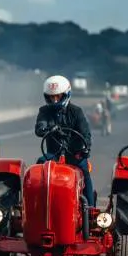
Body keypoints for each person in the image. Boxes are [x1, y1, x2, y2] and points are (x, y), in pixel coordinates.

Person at [35, 75, 94, 208]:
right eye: (51, 97)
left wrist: (85, 149)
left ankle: (91, 209)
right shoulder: (44, 111)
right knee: (39, 166)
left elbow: (85, 134)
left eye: (58, 96)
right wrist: (48, 128)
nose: (54, 100)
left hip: (74, 155)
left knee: (85, 171)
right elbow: (39, 128)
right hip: (53, 155)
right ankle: (35, 204)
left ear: (66, 94)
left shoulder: (77, 112)